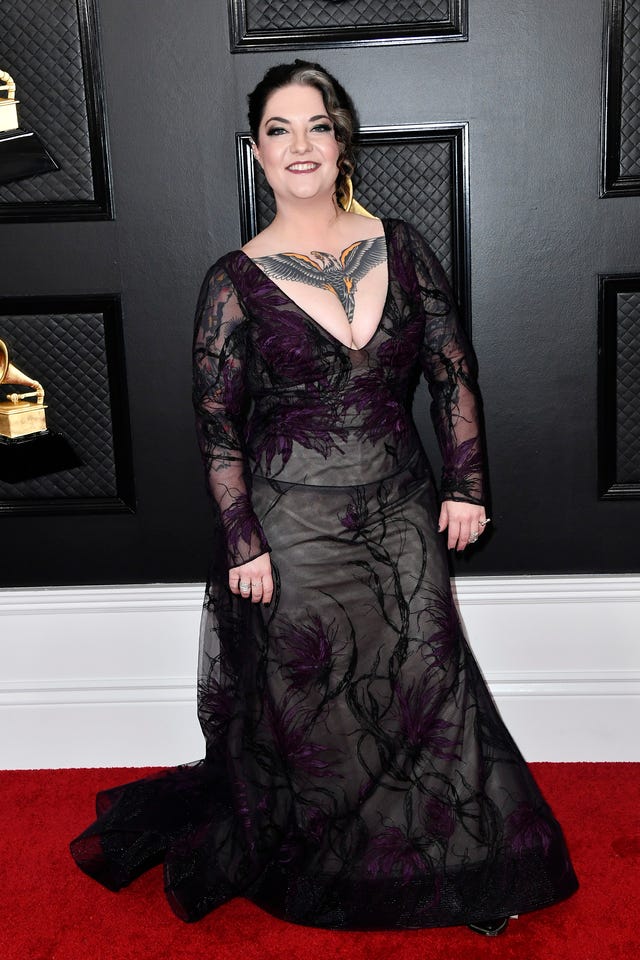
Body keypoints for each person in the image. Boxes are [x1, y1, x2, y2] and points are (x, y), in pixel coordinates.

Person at [70, 60, 578, 936]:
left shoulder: (403, 245)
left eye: (317, 125)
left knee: (433, 681)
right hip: (291, 521)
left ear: (342, 143)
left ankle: (467, 862)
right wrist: (242, 538)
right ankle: (341, 858)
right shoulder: (232, 280)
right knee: (323, 705)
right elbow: (218, 421)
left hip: (404, 508)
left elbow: (451, 370)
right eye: (279, 129)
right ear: (258, 152)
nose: (299, 144)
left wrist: (466, 484)